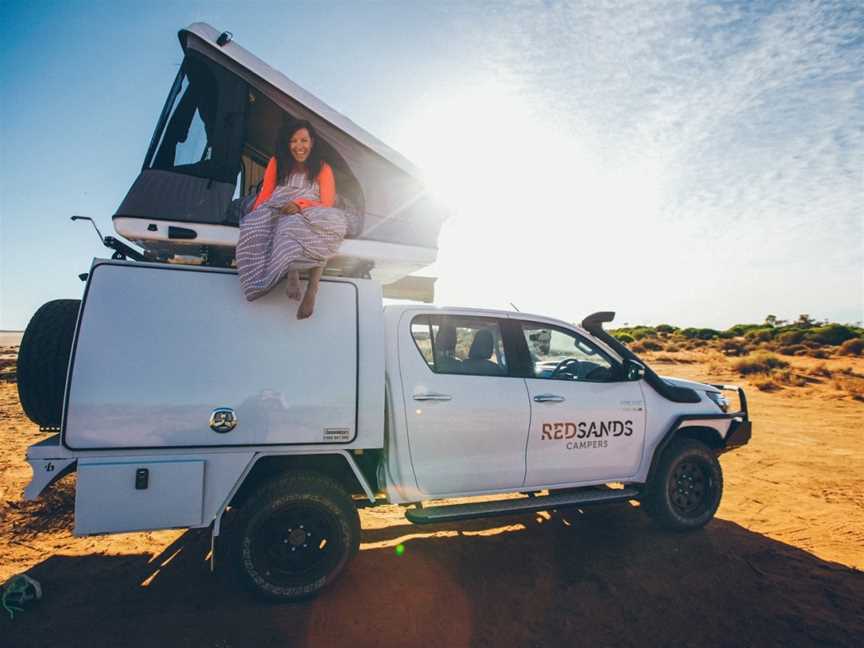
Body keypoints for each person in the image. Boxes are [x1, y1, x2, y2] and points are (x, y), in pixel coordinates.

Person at [236, 120, 348, 319]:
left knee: (311, 223)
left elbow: (327, 201)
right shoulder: (277, 162)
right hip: (280, 204)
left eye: (304, 140)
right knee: (257, 225)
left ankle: (312, 289)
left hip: (313, 207)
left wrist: (301, 205)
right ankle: (289, 272)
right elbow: (266, 193)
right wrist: (255, 213)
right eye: (293, 141)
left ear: (312, 142)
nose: (299, 146)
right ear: (287, 144)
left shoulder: (323, 168)